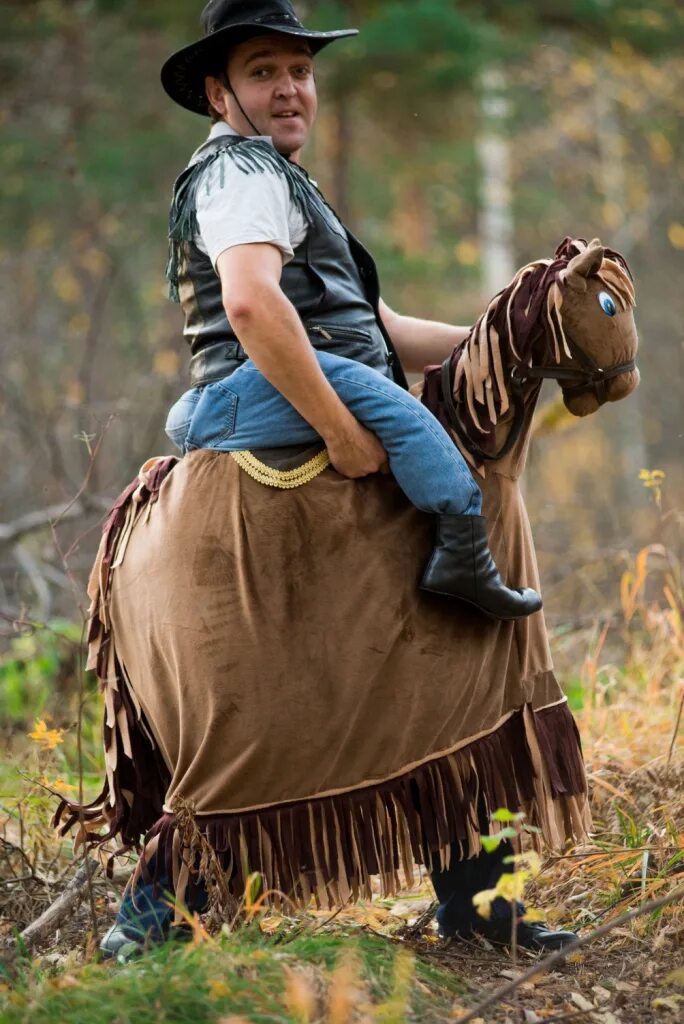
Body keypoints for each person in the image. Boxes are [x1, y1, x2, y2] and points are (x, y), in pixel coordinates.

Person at [100, 0, 577, 959]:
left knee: (450, 676)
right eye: (265, 69)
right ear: (216, 90)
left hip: (327, 380)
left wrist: (526, 338)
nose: (289, 88)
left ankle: (475, 902)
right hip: (288, 412)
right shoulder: (238, 173)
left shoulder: (282, 178)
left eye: (300, 71)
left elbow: (385, 327)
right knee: (268, 713)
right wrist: (337, 426)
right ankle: (147, 928)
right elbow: (247, 299)